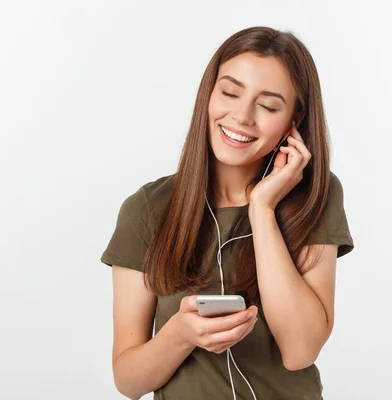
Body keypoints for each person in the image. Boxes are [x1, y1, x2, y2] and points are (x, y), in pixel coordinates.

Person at [100, 26, 355, 400]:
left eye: (268, 106)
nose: (242, 117)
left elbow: (301, 351)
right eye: (230, 93)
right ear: (209, 94)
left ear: (294, 120)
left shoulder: (314, 196)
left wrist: (263, 208)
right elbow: (128, 381)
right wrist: (180, 335)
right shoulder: (147, 209)